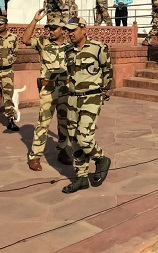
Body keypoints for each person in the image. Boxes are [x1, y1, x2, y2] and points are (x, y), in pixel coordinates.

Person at [61, 17, 113, 194]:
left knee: (84, 138)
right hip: (73, 98)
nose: (70, 33)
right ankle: (81, 177)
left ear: (84, 29)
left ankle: (101, 158)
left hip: (91, 97)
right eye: (68, 30)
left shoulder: (98, 48)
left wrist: (104, 90)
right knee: (74, 139)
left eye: (73, 30)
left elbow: (107, 69)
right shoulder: (68, 50)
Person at [22, 11, 72, 171]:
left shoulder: (70, 47)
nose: (50, 30)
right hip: (48, 88)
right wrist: (34, 20)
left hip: (65, 88)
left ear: (63, 30)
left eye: (54, 28)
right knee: (43, 123)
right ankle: (35, 156)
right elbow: (25, 40)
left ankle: (62, 150)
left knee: (64, 123)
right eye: (49, 28)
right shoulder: (43, 43)